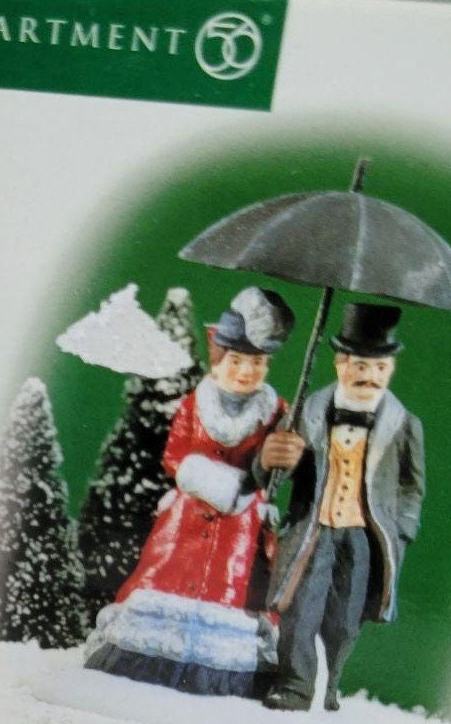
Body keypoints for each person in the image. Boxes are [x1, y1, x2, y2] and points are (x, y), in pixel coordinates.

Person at [83, 286, 294, 696]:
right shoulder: (195, 405)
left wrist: (280, 456)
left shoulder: (276, 411)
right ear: (219, 360)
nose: (246, 372)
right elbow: (175, 455)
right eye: (237, 361)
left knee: (233, 588)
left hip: (241, 525)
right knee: (167, 579)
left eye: (257, 363)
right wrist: (211, 481)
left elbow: (276, 470)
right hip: (187, 521)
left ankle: (219, 675)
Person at [260, 303, 426, 712]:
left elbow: (412, 485)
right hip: (313, 529)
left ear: (391, 369)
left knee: (346, 617)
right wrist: (274, 457)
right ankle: (295, 685)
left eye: (380, 367)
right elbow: (274, 472)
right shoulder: (308, 412)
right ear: (340, 364)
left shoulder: (405, 425)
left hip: (363, 537)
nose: (370, 376)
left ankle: (328, 686)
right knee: (299, 609)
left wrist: (403, 529)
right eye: (360, 365)